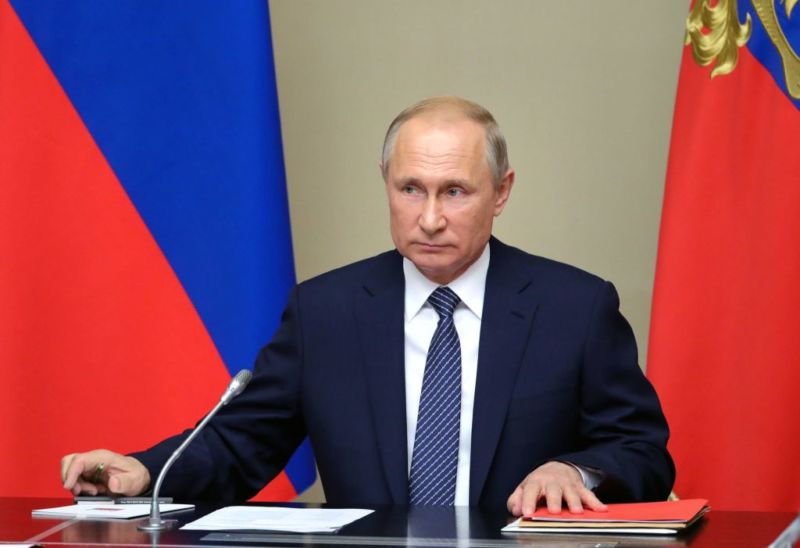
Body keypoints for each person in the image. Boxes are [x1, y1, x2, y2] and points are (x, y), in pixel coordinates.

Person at [61, 96, 674, 516]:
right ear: (385, 180)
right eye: (410, 189)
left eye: (454, 192)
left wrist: (576, 469)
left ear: (501, 192)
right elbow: (242, 442)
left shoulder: (575, 307)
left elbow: (643, 453)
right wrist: (143, 471)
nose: (429, 218)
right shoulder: (325, 310)